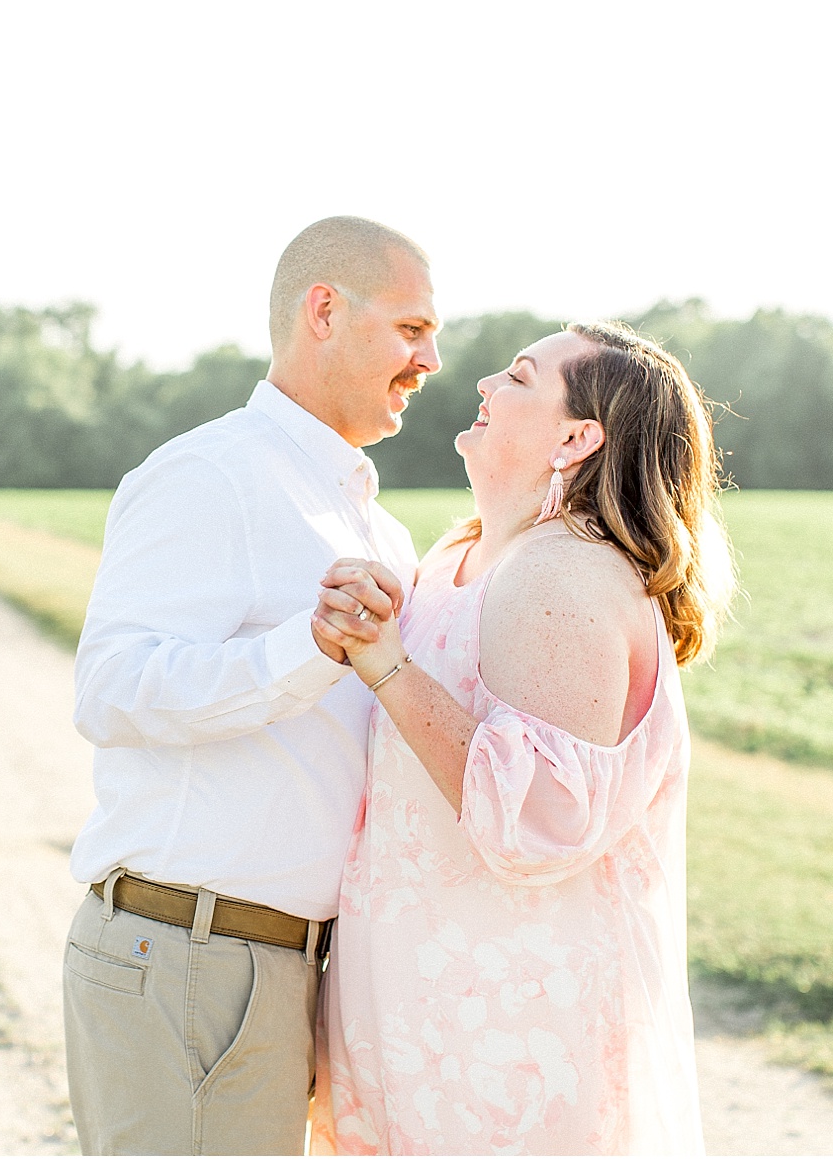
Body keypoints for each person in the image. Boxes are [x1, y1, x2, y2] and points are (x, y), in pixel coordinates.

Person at [307, 322, 733, 1154]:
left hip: (509, 1047)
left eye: (521, 375)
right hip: (427, 1024)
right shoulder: (460, 555)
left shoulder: (564, 572)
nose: (485, 382)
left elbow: (533, 819)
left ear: (578, 436)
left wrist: (386, 663)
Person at [63, 216, 440, 1155]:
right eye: (411, 328)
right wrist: (306, 648)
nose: (431, 359)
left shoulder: (378, 531)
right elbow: (110, 689)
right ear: (324, 309)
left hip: (286, 969)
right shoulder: (210, 475)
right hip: (190, 956)